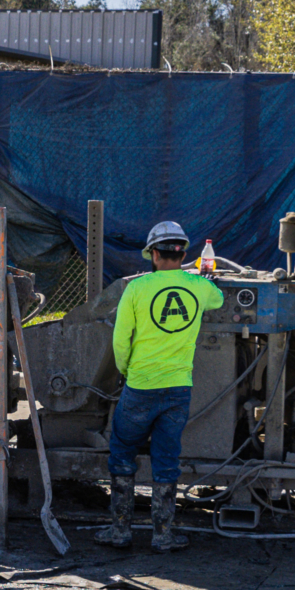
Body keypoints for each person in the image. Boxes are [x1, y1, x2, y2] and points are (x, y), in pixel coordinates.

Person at [101, 219, 225, 551]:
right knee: (166, 457)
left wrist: (125, 371)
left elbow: (120, 340)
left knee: (123, 452)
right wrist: (203, 279)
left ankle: (120, 532)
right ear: (183, 253)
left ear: (154, 254)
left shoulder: (136, 289)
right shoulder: (198, 287)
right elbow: (219, 300)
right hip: (177, 388)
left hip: (140, 386)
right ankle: (163, 535)